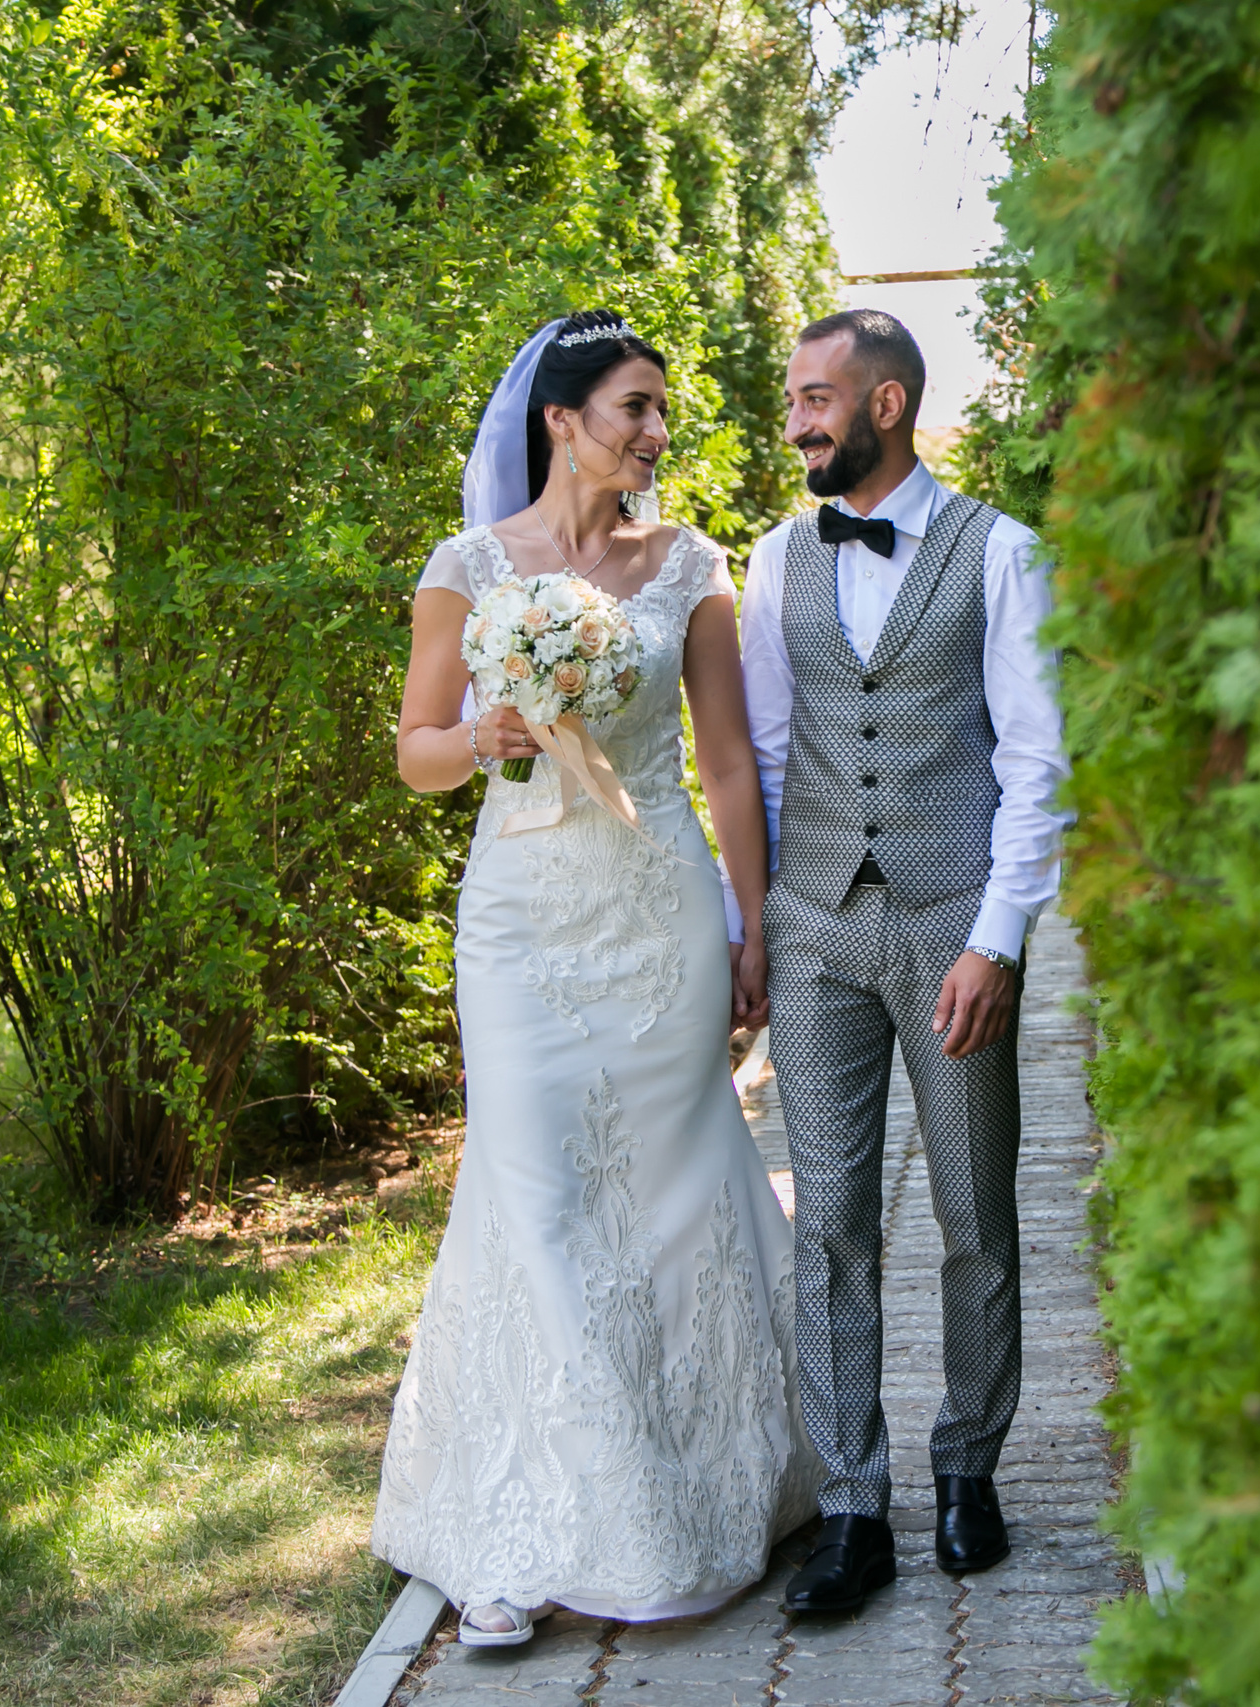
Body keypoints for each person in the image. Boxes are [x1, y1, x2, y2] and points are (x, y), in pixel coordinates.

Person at [373, 310, 815, 1647]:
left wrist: (757, 928)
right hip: (519, 923)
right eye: (633, 407)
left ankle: (690, 1503)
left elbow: (729, 760)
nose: (655, 434)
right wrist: (484, 730)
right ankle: (520, 1535)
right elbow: (414, 751)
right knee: (540, 1197)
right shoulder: (466, 566)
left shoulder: (689, 565)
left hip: (659, 909)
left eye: (659, 411)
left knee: (675, 1197)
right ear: (560, 421)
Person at [740, 308, 1070, 1614]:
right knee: (827, 1228)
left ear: (886, 404)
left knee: (977, 1217)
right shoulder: (775, 560)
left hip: (951, 923)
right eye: (794, 400)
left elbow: (1037, 763)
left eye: (818, 397)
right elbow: (766, 757)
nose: (798, 421)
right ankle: (851, 1507)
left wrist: (999, 937)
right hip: (820, 924)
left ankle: (970, 1472)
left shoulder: (1003, 557)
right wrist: (764, 922)